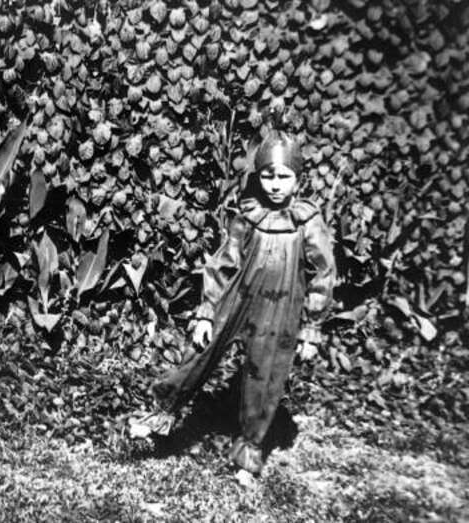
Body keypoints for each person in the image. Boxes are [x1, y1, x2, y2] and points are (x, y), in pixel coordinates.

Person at [131, 130, 336, 475]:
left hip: (281, 308)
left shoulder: (307, 221)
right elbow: (223, 262)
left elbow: (324, 272)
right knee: (200, 353)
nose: (274, 184)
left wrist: (312, 328)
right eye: (267, 176)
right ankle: (159, 415)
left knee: (265, 376)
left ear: (298, 180)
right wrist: (208, 313)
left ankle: (249, 453)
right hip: (237, 297)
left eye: (283, 177)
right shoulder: (248, 214)